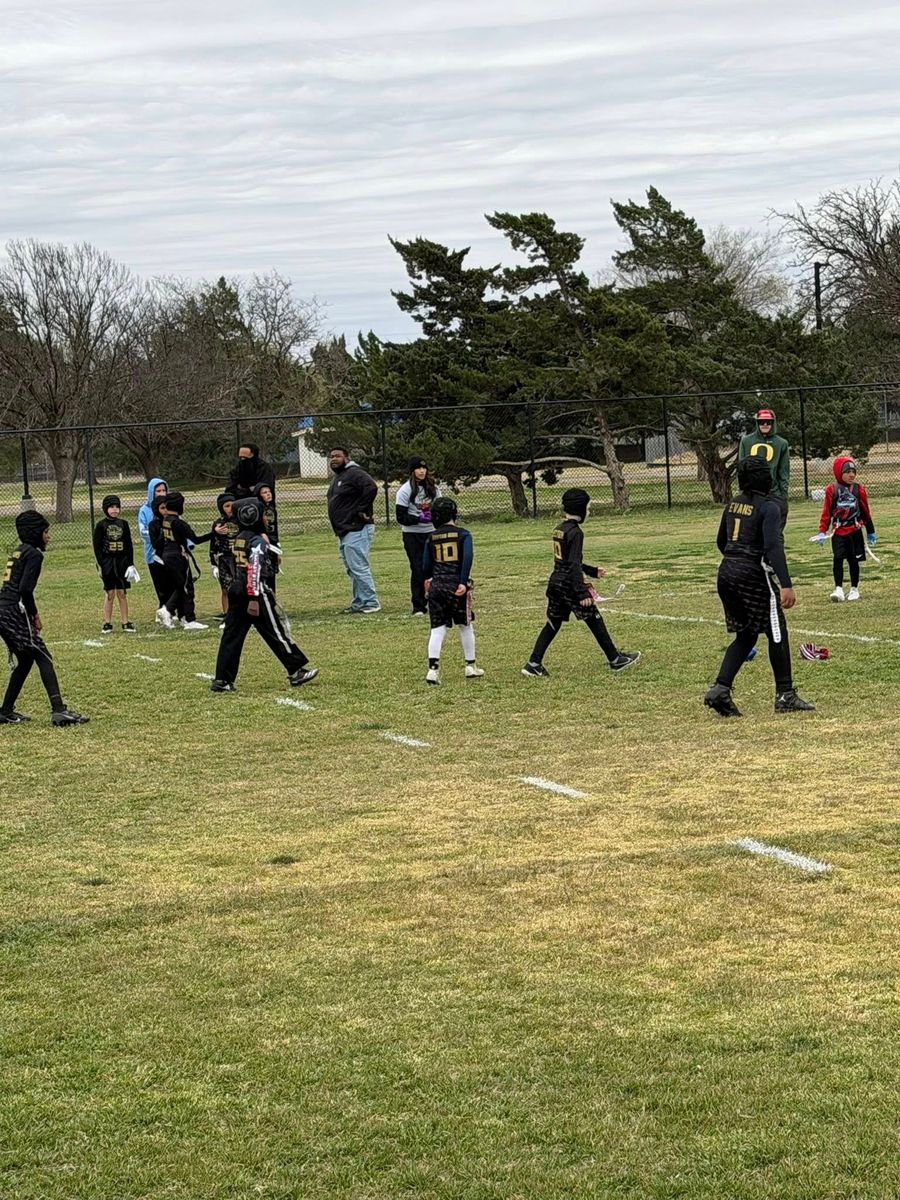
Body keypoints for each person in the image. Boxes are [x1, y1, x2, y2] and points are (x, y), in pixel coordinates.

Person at [704, 458, 814, 717]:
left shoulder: (732, 504)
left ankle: (720, 689)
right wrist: (786, 584)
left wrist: (736, 559)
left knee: (746, 635)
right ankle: (785, 694)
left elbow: (721, 541)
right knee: (777, 630)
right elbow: (773, 546)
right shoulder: (769, 507)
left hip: (727, 571)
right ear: (764, 478)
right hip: (752, 574)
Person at [521, 488, 640, 678]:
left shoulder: (559, 528)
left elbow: (567, 561)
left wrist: (592, 571)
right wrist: (582, 593)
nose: (589, 511)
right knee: (593, 617)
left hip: (556, 582)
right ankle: (615, 659)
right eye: (588, 507)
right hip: (569, 585)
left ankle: (533, 663)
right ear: (581, 509)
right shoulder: (576, 532)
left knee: (553, 622)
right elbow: (574, 565)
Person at [210, 497, 317, 693]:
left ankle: (222, 680)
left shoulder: (241, 536)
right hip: (254, 592)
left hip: (236, 589)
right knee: (275, 631)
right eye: (263, 515)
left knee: (231, 636)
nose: (267, 519)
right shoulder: (256, 541)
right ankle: (296, 670)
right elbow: (255, 569)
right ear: (254, 516)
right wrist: (253, 597)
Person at [0, 511, 88, 727]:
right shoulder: (35, 555)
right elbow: (25, 590)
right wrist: (35, 616)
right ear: (36, 533)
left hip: (2, 609)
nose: (49, 536)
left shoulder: (18, 551)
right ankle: (59, 711)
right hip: (12, 611)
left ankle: (5, 711)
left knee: (26, 660)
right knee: (43, 657)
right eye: (46, 532)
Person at [422, 497, 483, 685]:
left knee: (437, 628)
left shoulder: (431, 537)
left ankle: (433, 669)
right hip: (456, 585)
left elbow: (425, 565)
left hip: (437, 585)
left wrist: (428, 579)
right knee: (465, 625)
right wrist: (463, 582)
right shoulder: (463, 535)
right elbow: (467, 558)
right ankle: (470, 665)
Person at [151, 491, 221, 631]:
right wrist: (214, 533)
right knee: (186, 587)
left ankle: (182, 616)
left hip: (167, 555)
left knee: (180, 585)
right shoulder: (179, 523)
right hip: (178, 556)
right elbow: (195, 539)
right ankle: (180, 615)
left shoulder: (165, 521)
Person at [326, 446, 381, 614]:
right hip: (345, 530)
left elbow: (371, 487)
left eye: (337, 456)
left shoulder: (354, 473)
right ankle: (359, 602)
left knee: (358, 566)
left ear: (347, 458)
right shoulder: (339, 477)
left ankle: (371, 602)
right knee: (352, 568)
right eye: (331, 456)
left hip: (357, 527)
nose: (333, 459)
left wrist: (362, 510)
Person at [814, 455, 876, 602]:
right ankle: (839, 589)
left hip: (854, 530)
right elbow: (826, 512)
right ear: (839, 472)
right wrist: (822, 530)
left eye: (853, 471)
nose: (852, 475)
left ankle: (854, 589)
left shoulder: (858, 489)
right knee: (838, 559)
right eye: (848, 472)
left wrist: (870, 531)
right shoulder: (831, 490)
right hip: (839, 531)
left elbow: (865, 511)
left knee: (854, 560)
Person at [395, 457, 441, 615]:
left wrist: (435, 518)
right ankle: (418, 605)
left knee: (435, 567)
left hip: (430, 532)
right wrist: (418, 519)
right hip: (413, 535)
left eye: (424, 468)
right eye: (418, 468)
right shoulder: (405, 490)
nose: (422, 471)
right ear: (412, 471)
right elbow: (401, 517)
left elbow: (440, 507)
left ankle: (436, 600)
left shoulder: (433, 489)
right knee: (418, 568)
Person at [93, 494, 138, 634]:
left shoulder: (123, 524)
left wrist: (130, 564)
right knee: (110, 593)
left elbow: (129, 544)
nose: (115, 509)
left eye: (117, 506)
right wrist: (102, 564)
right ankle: (107, 622)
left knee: (122, 593)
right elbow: (97, 546)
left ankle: (125, 622)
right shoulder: (101, 525)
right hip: (108, 563)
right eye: (111, 507)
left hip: (122, 563)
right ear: (105, 509)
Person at [738, 408, 790, 528]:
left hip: (774, 492)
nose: (765, 424)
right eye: (762, 422)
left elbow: (783, 471)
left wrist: (783, 494)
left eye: (768, 422)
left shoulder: (782, 443)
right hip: (751, 493)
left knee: (776, 528)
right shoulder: (746, 441)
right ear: (757, 423)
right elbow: (741, 468)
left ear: (773, 423)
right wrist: (742, 492)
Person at [138, 477, 169, 605]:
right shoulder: (144, 510)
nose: (161, 493)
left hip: (170, 552)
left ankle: (173, 608)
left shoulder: (170, 507)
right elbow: (143, 532)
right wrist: (158, 536)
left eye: (164, 490)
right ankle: (163, 607)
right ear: (152, 492)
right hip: (153, 553)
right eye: (158, 491)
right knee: (160, 583)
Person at [209, 493, 238, 624]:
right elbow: (213, 543)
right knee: (225, 588)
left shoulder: (241, 520)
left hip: (239, 558)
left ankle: (242, 614)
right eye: (227, 506)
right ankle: (227, 616)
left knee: (240, 587)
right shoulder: (218, 524)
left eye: (232, 505)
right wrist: (213, 564)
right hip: (224, 559)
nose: (230, 508)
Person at [253, 482, 281, 591]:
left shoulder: (272, 508)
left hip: (272, 542)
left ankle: (272, 601)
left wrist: (277, 544)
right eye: (264, 493)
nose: (268, 494)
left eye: (269, 492)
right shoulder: (257, 508)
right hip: (262, 542)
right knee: (264, 572)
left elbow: (275, 527)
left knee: (272, 572)